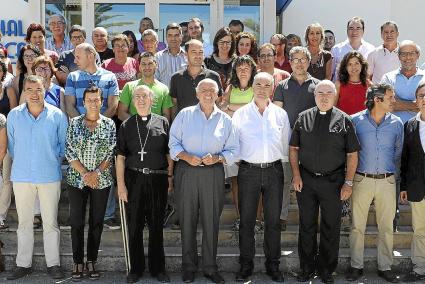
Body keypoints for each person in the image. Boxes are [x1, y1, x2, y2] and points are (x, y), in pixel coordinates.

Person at [290, 80, 360, 283]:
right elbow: (294, 149)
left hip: (334, 182)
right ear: (314, 95)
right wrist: (296, 174)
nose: (324, 96)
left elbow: (352, 154)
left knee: (331, 226)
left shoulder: (345, 120)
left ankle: (327, 269)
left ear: (335, 95)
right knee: (306, 225)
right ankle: (306, 268)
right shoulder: (303, 118)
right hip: (306, 180)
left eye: (329, 92)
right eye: (320, 92)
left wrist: (348, 182)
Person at [169, 78, 239, 284]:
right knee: (187, 220)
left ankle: (210, 267)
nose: (208, 94)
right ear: (197, 94)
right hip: (187, 171)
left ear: (218, 95)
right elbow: (173, 143)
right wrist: (185, 156)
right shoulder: (184, 115)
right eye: (204, 90)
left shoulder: (226, 120)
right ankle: (189, 267)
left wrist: (218, 157)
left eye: (212, 90)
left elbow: (234, 150)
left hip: (213, 173)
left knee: (211, 221)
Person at [6, 75, 68, 280]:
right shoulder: (14, 116)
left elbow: (62, 146)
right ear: (24, 91)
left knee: (50, 222)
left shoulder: (57, 115)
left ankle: (54, 264)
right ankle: (23, 264)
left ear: (45, 90)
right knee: (24, 223)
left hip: (49, 175)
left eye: (38, 89)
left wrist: (49, 161)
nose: (34, 94)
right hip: (22, 176)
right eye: (30, 89)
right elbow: (13, 146)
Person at [232, 72, 290, 282]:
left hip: (274, 170)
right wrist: (246, 163)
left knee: (273, 222)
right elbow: (234, 144)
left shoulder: (280, 115)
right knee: (247, 221)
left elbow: (285, 146)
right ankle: (245, 266)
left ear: (272, 88)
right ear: (253, 87)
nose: (262, 88)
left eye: (267, 85)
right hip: (249, 171)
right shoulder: (241, 114)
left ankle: (273, 265)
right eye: (259, 84)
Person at [347, 83, 402, 283]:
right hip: (362, 180)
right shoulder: (355, 121)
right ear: (377, 100)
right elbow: (350, 152)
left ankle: (385, 266)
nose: (394, 101)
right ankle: (356, 266)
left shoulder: (396, 123)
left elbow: (398, 152)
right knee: (356, 226)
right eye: (390, 97)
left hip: (387, 181)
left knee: (386, 227)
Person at [117, 85, 171, 283]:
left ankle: (159, 269)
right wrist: (121, 185)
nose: (140, 100)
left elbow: (168, 153)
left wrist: (170, 177)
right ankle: (135, 269)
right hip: (134, 179)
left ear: (152, 100)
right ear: (132, 101)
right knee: (135, 225)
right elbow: (120, 157)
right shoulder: (126, 125)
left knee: (157, 224)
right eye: (137, 96)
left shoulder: (163, 122)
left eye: (145, 96)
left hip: (158, 179)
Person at [65, 43, 120, 230]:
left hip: (103, 133)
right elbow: (70, 105)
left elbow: (113, 106)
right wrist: (82, 126)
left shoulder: (109, 77)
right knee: (80, 175)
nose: (75, 60)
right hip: (79, 135)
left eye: (78, 56)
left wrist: (98, 125)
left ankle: (107, 215)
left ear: (91, 55)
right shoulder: (72, 77)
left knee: (104, 170)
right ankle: (78, 215)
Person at [65, 85, 116, 281]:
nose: (93, 103)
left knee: (96, 222)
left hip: (101, 180)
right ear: (83, 102)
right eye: (90, 100)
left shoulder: (109, 124)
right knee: (77, 222)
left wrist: (96, 173)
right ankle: (78, 261)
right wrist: (86, 174)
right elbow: (69, 152)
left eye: (97, 99)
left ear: (102, 102)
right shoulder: (74, 123)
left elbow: (111, 151)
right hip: (76, 179)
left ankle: (92, 260)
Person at [273, 46, 320, 231]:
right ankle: (282, 217)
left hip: (311, 140)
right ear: (290, 62)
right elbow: (277, 115)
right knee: (285, 179)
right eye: (295, 59)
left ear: (309, 62)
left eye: (303, 59)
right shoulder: (282, 86)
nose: (299, 63)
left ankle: (309, 219)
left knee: (309, 181)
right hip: (287, 138)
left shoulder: (318, 85)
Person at [220, 55, 257, 231]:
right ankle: (240, 218)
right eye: (240, 68)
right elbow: (221, 110)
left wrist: (233, 108)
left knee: (256, 182)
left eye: (246, 68)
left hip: (254, 142)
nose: (243, 71)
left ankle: (257, 220)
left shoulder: (257, 87)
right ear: (235, 70)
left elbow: (257, 109)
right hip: (233, 140)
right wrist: (244, 108)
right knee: (236, 181)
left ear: (252, 71)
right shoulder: (230, 88)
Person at [400, 82, 425, 282]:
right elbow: (405, 159)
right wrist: (404, 186)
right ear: (416, 101)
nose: (424, 99)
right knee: (420, 230)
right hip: (418, 188)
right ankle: (419, 268)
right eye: (421, 96)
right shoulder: (410, 125)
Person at [169, 39, 223, 115]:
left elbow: (219, 103)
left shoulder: (213, 77)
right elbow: (174, 106)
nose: (198, 55)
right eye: (194, 52)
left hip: (208, 124)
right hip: (184, 124)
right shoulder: (176, 78)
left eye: (200, 52)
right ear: (186, 54)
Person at [119, 52, 173, 122]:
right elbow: (121, 113)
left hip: (155, 131)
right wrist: (138, 124)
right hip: (134, 130)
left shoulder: (164, 89)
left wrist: (154, 126)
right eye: (143, 64)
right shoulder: (129, 86)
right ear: (140, 67)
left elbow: (166, 115)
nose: (147, 67)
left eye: (150, 64)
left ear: (156, 65)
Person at [381, 40, 424, 124]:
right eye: (403, 54)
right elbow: (385, 103)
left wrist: (397, 103)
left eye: (411, 53)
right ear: (398, 56)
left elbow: (392, 104)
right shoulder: (388, 77)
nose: (408, 57)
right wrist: (417, 105)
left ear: (418, 55)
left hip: (420, 129)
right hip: (394, 129)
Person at [0, 61, 17, 230]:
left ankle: (1, 216)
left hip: (5, 137)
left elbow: (13, 115)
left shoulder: (9, 90)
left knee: (6, 179)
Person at [336, 51, 371, 115]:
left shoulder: (369, 85)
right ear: (345, 67)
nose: (353, 67)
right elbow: (333, 107)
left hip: (362, 123)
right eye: (350, 64)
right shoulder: (339, 84)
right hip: (344, 122)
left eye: (356, 63)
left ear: (362, 65)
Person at [154, 23, 187, 88]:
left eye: (176, 35)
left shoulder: (188, 57)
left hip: (184, 97)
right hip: (164, 97)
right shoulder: (157, 57)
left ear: (181, 37)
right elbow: (155, 80)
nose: (173, 39)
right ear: (166, 37)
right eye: (170, 35)